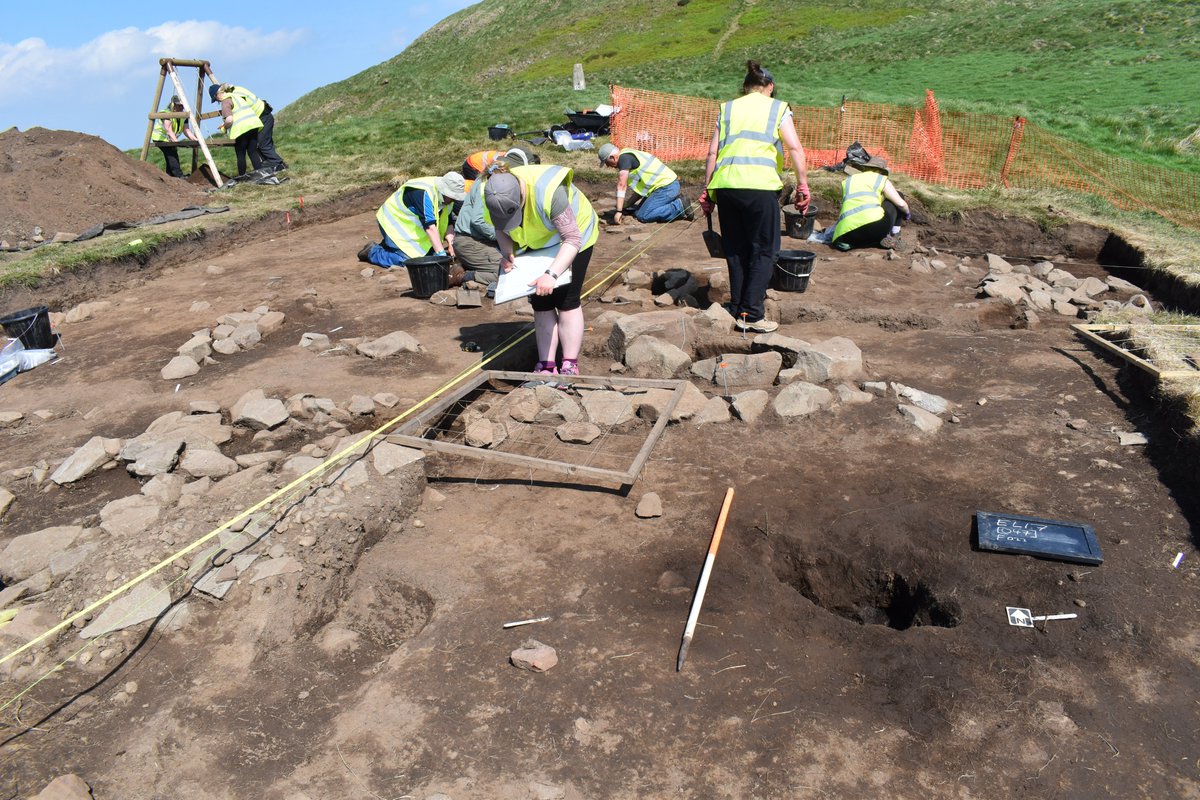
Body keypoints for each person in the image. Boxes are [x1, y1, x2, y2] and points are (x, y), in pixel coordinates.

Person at [701, 60, 809, 334]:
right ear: (769, 87)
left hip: (725, 187)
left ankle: (738, 307)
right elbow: (795, 148)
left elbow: (712, 153)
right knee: (764, 249)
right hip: (759, 187)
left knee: (736, 250)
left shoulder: (727, 109)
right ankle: (751, 313)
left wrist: (708, 191)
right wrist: (803, 185)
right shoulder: (777, 107)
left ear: (745, 87)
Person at [484, 163, 598, 376]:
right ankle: (546, 364)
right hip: (538, 244)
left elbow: (572, 238)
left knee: (567, 299)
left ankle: (569, 364)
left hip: (575, 235)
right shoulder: (492, 194)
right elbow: (500, 228)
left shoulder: (549, 192)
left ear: (521, 195)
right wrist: (507, 252)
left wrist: (551, 274)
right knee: (540, 301)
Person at [449, 148, 539, 290]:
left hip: (483, 240)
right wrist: (508, 235)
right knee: (509, 273)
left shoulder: (502, 180)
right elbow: (478, 221)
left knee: (522, 264)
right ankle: (464, 275)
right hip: (471, 242)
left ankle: (472, 264)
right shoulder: (489, 184)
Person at [358, 171, 466, 269]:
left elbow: (448, 222)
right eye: (453, 196)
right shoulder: (424, 193)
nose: (454, 200)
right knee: (411, 262)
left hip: (411, 226)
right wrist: (441, 256)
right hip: (393, 221)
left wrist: (452, 245)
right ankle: (373, 252)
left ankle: (391, 246)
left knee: (430, 257)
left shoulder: (447, 199)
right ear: (445, 191)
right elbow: (430, 227)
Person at [831, 155, 911, 251]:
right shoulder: (881, 179)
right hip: (874, 228)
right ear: (882, 171)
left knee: (863, 230)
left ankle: (870, 241)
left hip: (846, 234)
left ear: (865, 168)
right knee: (898, 195)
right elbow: (901, 204)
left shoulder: (848, 180)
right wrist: (906, 213)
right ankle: (894, 234)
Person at [597, 143, 691, 223]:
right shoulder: (628, 156)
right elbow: (641, 190)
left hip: (666, 187)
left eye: (606, 162)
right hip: (664, 186)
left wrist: (619, 211)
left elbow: (621, 186)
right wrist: (628, 204)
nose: (608, 166)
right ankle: (673, 201)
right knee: (637, 212)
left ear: (612, 157)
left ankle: (679, 206)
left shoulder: (623, 159)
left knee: (644, 215)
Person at [210, 83, 262, 176]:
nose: (217, 101)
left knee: (241, 155)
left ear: (217, 95)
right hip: (253, 125)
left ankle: (242, 176)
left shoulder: (225, 101)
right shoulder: (235, 96)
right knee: (252, 152)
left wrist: (224, 127)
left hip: (241, 129)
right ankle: (262, 173)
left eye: (215, 99)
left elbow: (229, 119)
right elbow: (239, 112)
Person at [151, 95, 195, 179]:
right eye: (179, 105)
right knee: (171, 153)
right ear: (173, 105)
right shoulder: (165, 113)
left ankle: (170, 174)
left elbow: (186, 130)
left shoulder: (183, 115)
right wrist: (176, 142)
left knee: (171, 153)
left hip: (169, 139)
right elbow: (169, 130)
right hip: (160, 138)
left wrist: (195, 139)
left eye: (182, 106)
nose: (181, 107)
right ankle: (178, 175)